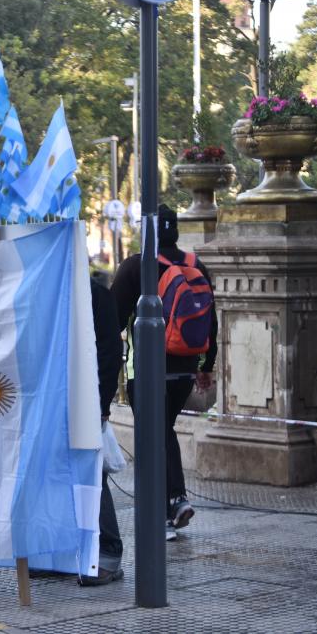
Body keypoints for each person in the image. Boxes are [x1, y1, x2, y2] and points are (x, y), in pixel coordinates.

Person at [110, 204, 217, 541]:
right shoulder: (194, 264)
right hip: (185, 370)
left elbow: (112, 320)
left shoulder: (137, 267)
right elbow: (211, 319)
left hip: (146, 371)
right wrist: (207, 367)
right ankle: (176, 501)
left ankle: (164, 510)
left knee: (152, 437)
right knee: (163, 432)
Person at [80, 278, 125, 586]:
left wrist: (101, 403)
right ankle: (63, 553)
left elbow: (109, 349)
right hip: (54, 400)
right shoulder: (46, 285)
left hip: (86, 400)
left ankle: (108, 553)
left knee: (92, 474)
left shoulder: (93, 292)